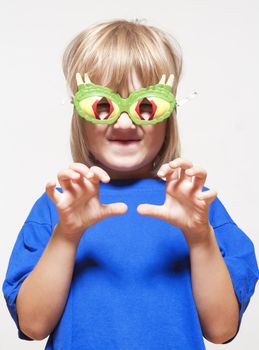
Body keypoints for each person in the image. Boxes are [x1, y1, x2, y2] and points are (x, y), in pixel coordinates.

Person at [2, 19, 258, 350]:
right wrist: (66, 236)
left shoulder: (195, 205)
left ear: (170, 115)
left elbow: (222, 329)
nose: (124, 121)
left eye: (146, 106)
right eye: (103, 105)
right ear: (80, 115)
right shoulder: (60, 205)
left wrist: (199, 239)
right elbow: (33, 325)